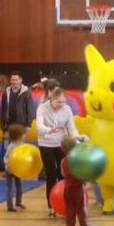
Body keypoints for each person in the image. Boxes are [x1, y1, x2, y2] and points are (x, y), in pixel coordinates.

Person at [36, 87, 80, 218]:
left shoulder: (66, 109)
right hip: (46, 144)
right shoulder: (42, 108)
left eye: (63, 101)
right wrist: (48, 130)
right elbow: (39, 126)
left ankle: (65, 205)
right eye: (58, 102)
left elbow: (72, 127)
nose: (61, 105)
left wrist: (78, 138)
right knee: (50, 176)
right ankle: (51, 207)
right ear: (51, 100)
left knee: (63, 175)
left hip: (61, 144)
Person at [60, 137, 89, 226]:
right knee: (80, 205)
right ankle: (83, 223)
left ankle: (70, 223)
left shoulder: (63, 161)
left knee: (69, 205)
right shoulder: (77, 160)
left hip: (67, 187)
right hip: (78, 186)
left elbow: (62, 173)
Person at [0, 72, 33, 151]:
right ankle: (7, 162)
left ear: (20, 80)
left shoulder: (26, 93)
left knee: (20, 147)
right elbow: (3, 109)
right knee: (6, 147)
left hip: (21, 126)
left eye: (16, 80)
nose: (14, 82)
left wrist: (28, 125)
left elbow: (29, 109)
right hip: (8, 126)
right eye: (12, 80)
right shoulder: (6, 92)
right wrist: (2, 125)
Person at [4, 124, 27, 212]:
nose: (25, 135)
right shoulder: (11, 146)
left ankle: (18, 202)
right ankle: (10, 206)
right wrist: (8, 165)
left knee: (20, 187)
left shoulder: (22, 145)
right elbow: (6, 157)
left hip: (18, 170)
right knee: (10, 187)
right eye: (23, 134)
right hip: (10, 170)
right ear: (19, 136)